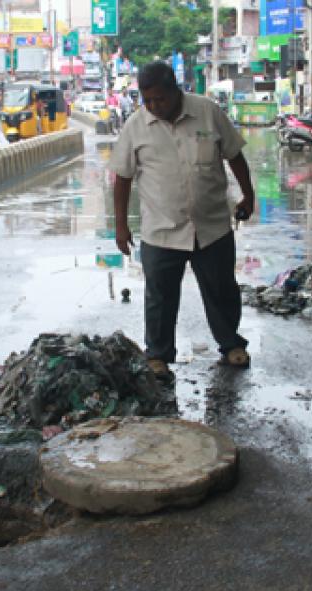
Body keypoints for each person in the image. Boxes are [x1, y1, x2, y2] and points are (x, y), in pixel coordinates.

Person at [109, 61, 255, 382]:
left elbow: (234, 156)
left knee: (221, 291)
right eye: (148, 101)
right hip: (161, 232)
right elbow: (121, 178)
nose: (154, 106)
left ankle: (230, 344)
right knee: (159, 298)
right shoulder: (136, 126)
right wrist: (120, 225)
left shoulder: (207, 112)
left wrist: (248, 195)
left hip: (212, 227)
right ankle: (158, 355)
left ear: (176, 90)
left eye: (160, 99)